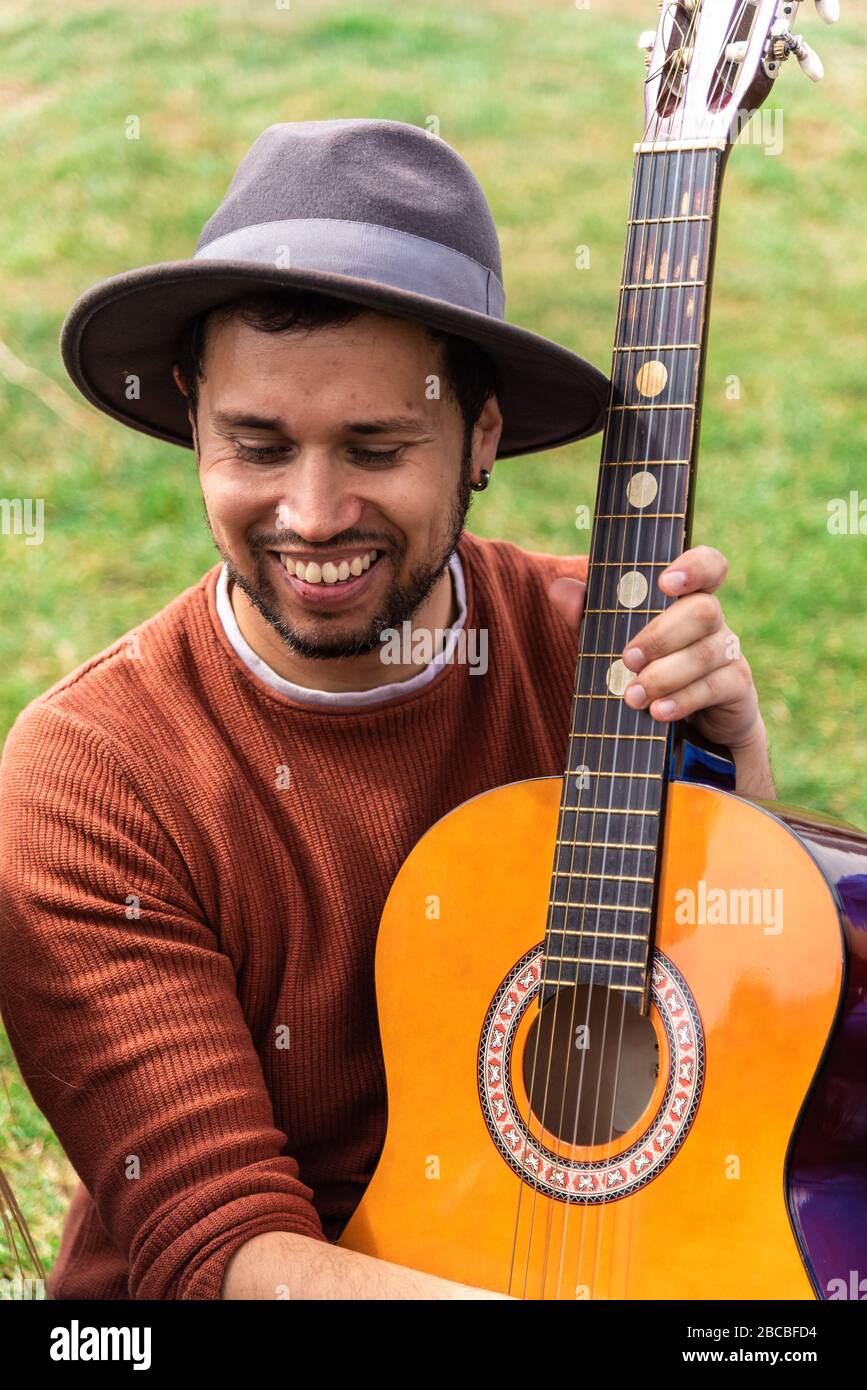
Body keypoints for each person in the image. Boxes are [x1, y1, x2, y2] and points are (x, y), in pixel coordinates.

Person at [0, 120, 774, 1301]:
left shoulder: (599, 658)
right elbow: (220, 1250)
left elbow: (743, 1046)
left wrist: (739, 786)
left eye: (376, 446)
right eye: (255, 445)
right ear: (197, 428)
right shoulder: (88, 775)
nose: (312, 515)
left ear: (483, 439)